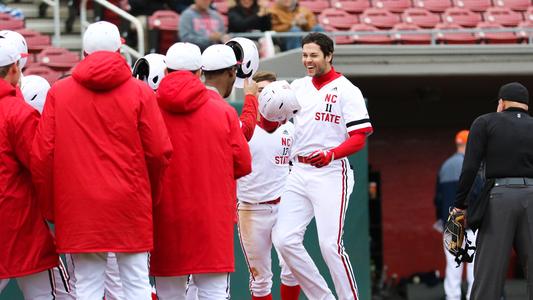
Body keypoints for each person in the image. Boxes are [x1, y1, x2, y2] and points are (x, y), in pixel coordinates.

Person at [31, 21, 173, 300]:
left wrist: (53, 208)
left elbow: (42, 155)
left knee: (87, 287)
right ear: (120, 52)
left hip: (79, 205)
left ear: (84, 53)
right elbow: (159, 151)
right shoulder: (141, 92)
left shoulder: (59, 92)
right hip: (130, 201)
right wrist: (150, 195)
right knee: (136, 286)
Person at [272, 32, 372, 300]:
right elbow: (277, 118)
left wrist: (331, 154)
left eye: (314, 55)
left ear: (329, 55)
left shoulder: (347, 90)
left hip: (330, 172)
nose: (308, 60)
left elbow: (359, 138)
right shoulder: (298, 87)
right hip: (298, 170)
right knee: (283, 240)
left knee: (329, 246)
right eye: (305, 55)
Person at [150, 43, 252, 299]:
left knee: (169, 294)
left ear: (165, 71)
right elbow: (243, 164)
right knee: (214, 293)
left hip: (164, 215)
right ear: (198, 72)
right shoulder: (223, 111)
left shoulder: (149, 107)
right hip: (211, 216)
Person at [453, 82, 533, 300]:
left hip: (499, 197)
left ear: (501, 103)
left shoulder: (485, 122)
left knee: (489, 275)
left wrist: (459, 205)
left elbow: (469, 167)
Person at [0, 38, 61, 300]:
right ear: (15, 67)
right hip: (18, 219)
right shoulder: (18, 112)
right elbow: (41, 164)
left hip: (15, 219)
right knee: (43, 295)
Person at [237, 71, 301, 300]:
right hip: (252, 208)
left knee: (293, 269)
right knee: (261, 280)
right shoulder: (242, 128)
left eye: (272, 91)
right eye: (262, 91)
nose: (268, 96)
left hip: (285, 205)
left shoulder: (291, 128)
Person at [435, 130, 477, 300]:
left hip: (451, 223)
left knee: (453, 266)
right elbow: (478, 195)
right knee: (474, 266)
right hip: (471, 224)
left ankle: (452, 297)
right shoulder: (473, 166)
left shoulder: (445, 166)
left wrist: (441, 219)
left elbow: (437, 198)